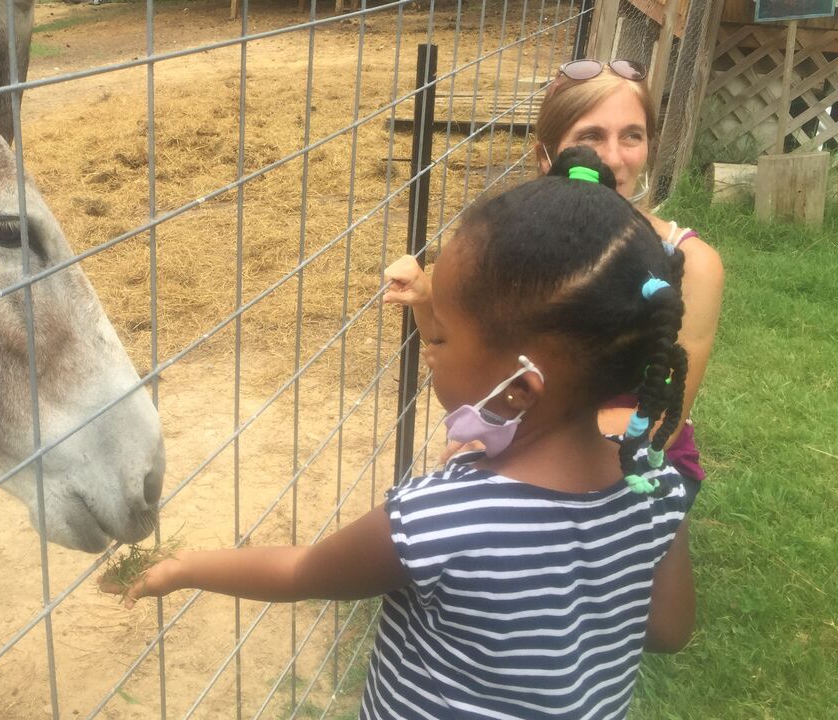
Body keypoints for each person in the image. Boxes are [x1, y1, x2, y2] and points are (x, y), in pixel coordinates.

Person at [102, 147, 695, 719]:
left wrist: (185, 567)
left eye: (443, 337)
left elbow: (303, 572)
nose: (429, 350)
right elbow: (669, 630)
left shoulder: (442, 519)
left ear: (519, 388)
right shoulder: (657, 487)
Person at [392, 59, 723, 488]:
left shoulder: (692, 262)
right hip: (525, 436)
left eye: (632, 136)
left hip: (635, 461)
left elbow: (663, 419)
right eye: (591, 136)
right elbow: (476, 356)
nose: (613, 158)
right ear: (544, 156)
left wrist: (514, 435)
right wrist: (425, 302)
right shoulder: (515, 242)